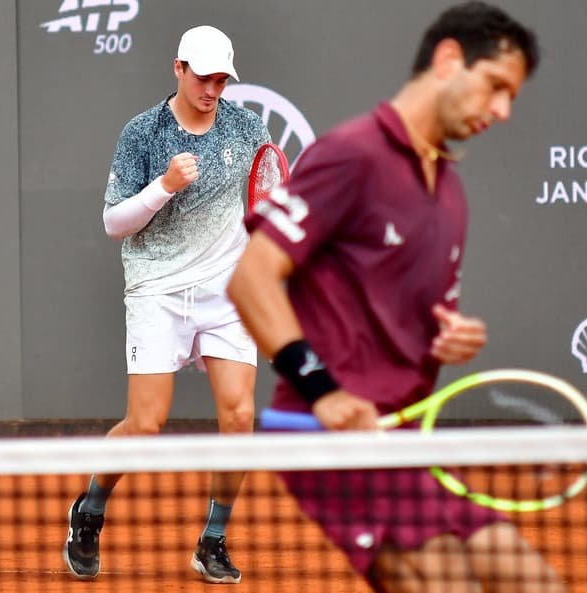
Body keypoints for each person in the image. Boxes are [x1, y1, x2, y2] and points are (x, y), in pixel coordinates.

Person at [227, 3, 565, 592]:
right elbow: (251, 277)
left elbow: (394, 318)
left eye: (511, 96)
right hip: (330, 433)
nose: (503, 111)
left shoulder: (451, 193)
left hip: (401, 440)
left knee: (534, 583)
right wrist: (323, 391)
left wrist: (446, 337)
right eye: (495, 88)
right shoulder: (353, 154)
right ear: (449, 59)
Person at [63, 25, 270, 584]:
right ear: (178, 69)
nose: (212, 89)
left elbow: (263, 208)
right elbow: (112, 224)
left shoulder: (248, 128)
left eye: (222, 79)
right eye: (203, 77)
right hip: (157, 286)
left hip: (226, 293)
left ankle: (214, 539)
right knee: (146, 424)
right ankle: (91, 510)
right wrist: (165, 185)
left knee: (240, 415)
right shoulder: (143, 133)